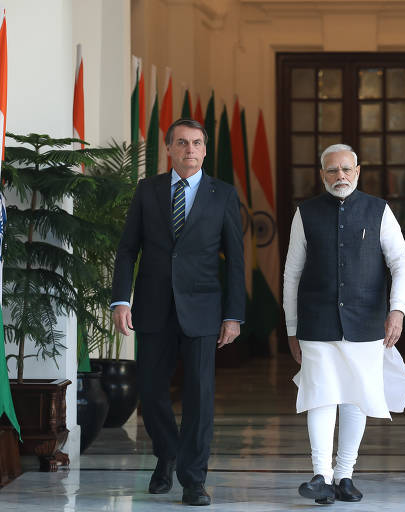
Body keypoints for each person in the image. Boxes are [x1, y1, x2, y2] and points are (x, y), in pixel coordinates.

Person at [111, 119, 246, 507]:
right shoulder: (147, 190)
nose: (190, 149)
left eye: (197, 143)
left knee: (199, 397)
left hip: (203, 310)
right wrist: (121, 300)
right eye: (182, 142)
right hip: (153, 307)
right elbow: (128, 250)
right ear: (169, 148)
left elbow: (236, 260)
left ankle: (193, 480)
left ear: (205, 149)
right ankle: (167, 452)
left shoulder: (223, 194)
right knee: (151, 391)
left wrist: (233, 314)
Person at [283, 143, 405, 504]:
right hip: (316, 321)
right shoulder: (305, 213)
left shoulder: (379, 210)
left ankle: (344, 476)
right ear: (322, 174)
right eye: (332, 170)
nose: (339, 175)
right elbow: (291, 274)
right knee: (320, 395)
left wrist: (397, 310)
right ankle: (320, 476)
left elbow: (401, 264)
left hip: (367, 322)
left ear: (357, 171)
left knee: (357, 397)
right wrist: (291, 327)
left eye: (346, 169)